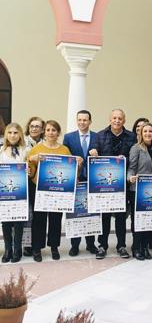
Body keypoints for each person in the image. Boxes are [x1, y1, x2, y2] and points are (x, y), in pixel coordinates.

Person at [27, 120, 83, 262]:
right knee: (39, 219)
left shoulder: (64, 150)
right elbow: (29, 172)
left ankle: (54, 247)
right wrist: (31, 161)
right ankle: (37, 248)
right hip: (40, 190)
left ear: (58, 132)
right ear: (43, 132)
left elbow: (71, 171)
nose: (50, 132)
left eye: (53, 130)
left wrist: (79, 164)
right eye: (48, 130)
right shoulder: (36, 149)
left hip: (59, 191)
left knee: (55, 219)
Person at [89, 109, 136, 260]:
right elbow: (93, 154)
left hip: (122, 184)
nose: (117, 120)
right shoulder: (99, 135)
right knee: (105, 216)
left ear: (124, 120)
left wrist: (126, 158)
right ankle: (102, 246)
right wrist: (93, 152)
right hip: (104, 186)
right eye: (114, 118)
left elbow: (134, 158)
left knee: (121, 217)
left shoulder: (131, 136)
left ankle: (121, 245)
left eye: (120, 118)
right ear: (109, 119)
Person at [63, 110, 99, 257]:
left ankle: (91, 244)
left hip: (93, 181)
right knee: (75, 213)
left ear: (90, 121)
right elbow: (66, 159)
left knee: (92, 212)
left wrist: (98, 154)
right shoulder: (68, 137)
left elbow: (102, 157)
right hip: (76, 181)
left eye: (85, 120)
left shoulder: (98, 137)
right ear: (76, 121)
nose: (82, 122)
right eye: (80, 120)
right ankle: (75, 245)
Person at [127, 122, 152, 260]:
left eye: (150, 131)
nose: (148, 134)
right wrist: (129, 177)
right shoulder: (136, 148)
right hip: (137, 189)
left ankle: (145, 247)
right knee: (138, 220)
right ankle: (136, 247)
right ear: (141, 134)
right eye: (145, 132)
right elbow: (131, 167)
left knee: (149, 220)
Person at [0, 123, 29, 263]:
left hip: (21, 192)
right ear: (6, 135)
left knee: (18, 223)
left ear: (20, 135)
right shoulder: (1, 151)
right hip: (4, 193)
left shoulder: (26, 150)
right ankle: (8, 249)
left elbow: (32, 169)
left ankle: (17, 249)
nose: (12, 135)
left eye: (15, 133)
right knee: (5, 222)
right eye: (10, 132)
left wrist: (30, 171)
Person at [22, 116, 45, 257]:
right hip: (25, 183)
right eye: (32, 126)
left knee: (39, 216)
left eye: (37, 126)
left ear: (42, 129)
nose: (34, 128)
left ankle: (37, 245)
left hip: (42, 184)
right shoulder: (22, 142)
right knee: (27, 215)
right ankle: (27, 245)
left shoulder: (47, 143)